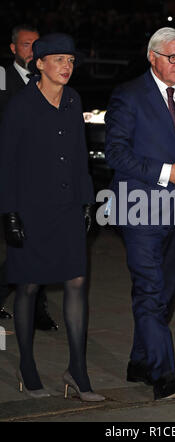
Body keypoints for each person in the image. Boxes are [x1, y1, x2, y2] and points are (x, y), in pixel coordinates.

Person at [105, 27, 175, 400]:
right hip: (139, 207)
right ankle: (163, 376)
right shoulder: (128, 95)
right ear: (152, 56)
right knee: (150, 291)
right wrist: (167, 172)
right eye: (172, 57)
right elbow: (116, 154)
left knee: (165, 293)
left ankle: (140, 361)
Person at [0, 33, 104, 402]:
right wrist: (9, 214)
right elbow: (7, 164)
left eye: (71, 61)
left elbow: (79, 154)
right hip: (30, 210)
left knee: (77, 282)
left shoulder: (74, 100)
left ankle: (77, 372)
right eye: (59, 59)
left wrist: (88, 202)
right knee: (28, 287)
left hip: (67, 208)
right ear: (40, 64)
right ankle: (28, 371)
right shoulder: (20, 105)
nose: (66, 67)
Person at [0, 24, 58, 331]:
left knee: (36, 242)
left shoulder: (46, 79)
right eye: (25, 45)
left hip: (42, 175)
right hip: (11, 173)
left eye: (36, 45)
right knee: (23, 243)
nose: (31, 50)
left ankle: (37, 308)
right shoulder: (2, 76)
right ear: (13, 49)